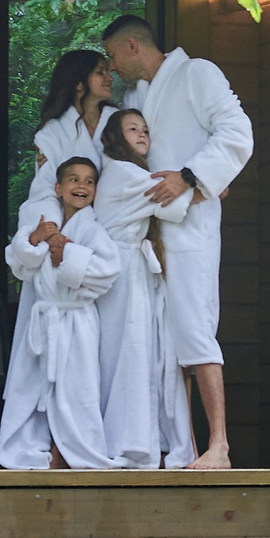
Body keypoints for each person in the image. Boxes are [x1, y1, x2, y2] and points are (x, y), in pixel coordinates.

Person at [101, 13, 252, 470]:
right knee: (164, 345)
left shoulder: (196, 73)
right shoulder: (136, 96)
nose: (110, 67)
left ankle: (220, 446)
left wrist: (192, 177)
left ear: (131, 46)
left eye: (111, 56)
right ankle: (183, 447)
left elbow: (237, 133)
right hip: (150, 236)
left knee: (195, 332)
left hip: (192, 230)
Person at [0, 157, 118, 470]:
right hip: (45, 320)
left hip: (77, 320)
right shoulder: (45, 225)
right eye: (74, 180)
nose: (81, 186)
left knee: (77, 389)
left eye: (89, 181)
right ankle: (33, 448)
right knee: (32, 388)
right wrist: (33, 240)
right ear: (59, 188)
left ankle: (72, 451)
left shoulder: (94, 229)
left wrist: (68, 255)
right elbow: (21, 266)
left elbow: (108, 271)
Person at [90, 109, 197, 468]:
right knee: (131, 353)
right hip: (122, 273)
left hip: (126, 271)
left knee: (127, 353)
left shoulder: (120, 171)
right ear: (116, 136)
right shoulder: (124, 173)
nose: (142, 134)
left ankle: (129, 438)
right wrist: (209, 186)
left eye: (146, 129)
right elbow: (171, 201)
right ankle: (130, 443)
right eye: (132, 128)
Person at [24, 49, 116, 207]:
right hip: (71, 223)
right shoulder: (52, 132)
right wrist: (52, 227)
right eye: (100, 72)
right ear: (79, 84)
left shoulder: (119, 121)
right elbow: (45, 189)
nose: (110, 78)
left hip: (117, 219)